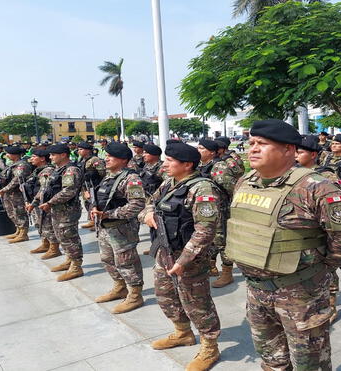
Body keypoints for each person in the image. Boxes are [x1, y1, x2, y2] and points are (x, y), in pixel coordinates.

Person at [225, 119, 341, 370]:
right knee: (271, 358)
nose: (252, 149)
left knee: (309, 363)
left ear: (288, 150)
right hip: (256, 290)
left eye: (262, 144)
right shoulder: (246, 182)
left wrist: (319, 270)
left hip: (301, 294)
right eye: (251, 143)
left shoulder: (317, 187)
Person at [139, 142, 222, 371]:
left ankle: (209, 346)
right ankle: (183, 332)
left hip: (189, 259)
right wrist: (146, 215)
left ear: (187, 164)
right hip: (164, 252)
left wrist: (183, 261)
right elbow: (148, 204)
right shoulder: (169, 183)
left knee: (197, 303)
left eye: (170, 161)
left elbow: (206, 229)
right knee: (165, 296)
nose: (164, 164)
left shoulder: (202, 189)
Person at [295, 134, 341, 322]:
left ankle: (331, 304)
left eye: (300, 152)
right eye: (294, 151)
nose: (296, 155)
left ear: (313, 155)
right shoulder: (292, 173)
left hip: (320, 230)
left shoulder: (325, 175)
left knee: (326, 271)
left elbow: (340, 205)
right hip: (300, 232)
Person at [91, 142, 146, 314]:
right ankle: (119, 287)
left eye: (110, 156)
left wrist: (109, 214)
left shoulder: (131, 179)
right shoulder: (110, 176)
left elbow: (137, 205)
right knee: (108, 260)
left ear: (123, 160)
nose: (106, 159)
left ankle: (135, 295)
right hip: (106, 228)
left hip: (122, 228)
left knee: (127, 263)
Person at [39, 144, 85, 281]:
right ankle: (69, 259)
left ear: (63, 155)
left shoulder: (71, 170)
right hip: (57, 209)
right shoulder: (58, 169)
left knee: (69, 237)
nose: (50, 157)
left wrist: (50, 203)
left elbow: (69, 191)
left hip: (67, 210)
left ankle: (76, 266)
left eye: (53, 155)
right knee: (62, 237)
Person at [197, 138, 237, 287]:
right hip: (206, 210)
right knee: (209, 239)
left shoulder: (218, 167)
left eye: (201, 148)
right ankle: (211, 267)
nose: (198, 151)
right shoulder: (201, 166)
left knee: (221, 241)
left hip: (219, 210)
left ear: (211, 152)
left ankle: (227, 272)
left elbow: (231, 188)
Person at [26, 149, 61, 259]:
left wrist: (33, 203)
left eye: (34, 156)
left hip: (43, 202)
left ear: (42, 158)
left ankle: (54, 248)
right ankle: (45, 243)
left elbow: (43, 189)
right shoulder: (38, 170)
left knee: (47, 225)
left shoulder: (47, 171)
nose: (31, 159)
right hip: (37, 201)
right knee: (40, 224)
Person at [0, 146, 32, 243]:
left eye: (8, 153)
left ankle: (23, 234)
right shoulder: (12, 164)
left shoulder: (22, 165)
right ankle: (18, 230)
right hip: (9, 193)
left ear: (14, 155)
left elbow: (17, 179)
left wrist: (4, 189)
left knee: (19, 212)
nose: (6, 155)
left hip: (17, 193)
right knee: (11, 212)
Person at [77, 142, 106, 229]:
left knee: (94, 203)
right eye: (78, 149)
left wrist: (93, 175)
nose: (79, 151)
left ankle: (96, 221)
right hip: (85, 186)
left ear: (88, 150)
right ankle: (93, 220)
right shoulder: (82, 160)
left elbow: (103, 173)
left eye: (81, 149)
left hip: (94, 185)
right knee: (87, 203)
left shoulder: (95, 159)